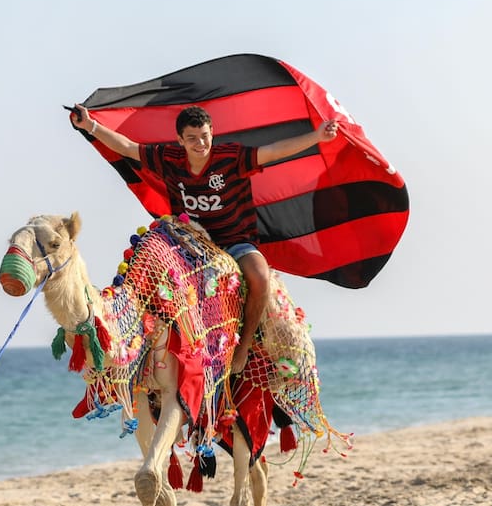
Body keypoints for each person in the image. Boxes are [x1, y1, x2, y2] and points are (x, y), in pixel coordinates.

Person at [70, 103, 339, 374]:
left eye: (205, 136)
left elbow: (273, 152)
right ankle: (136, 350)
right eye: (192, 138)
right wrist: (89, 125)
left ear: (212, 133)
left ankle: (242, 349)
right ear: (180, 140)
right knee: (147, 266)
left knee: (260, 277)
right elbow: (127, 147)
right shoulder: (170, 158)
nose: (200, 143)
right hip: (192, 246)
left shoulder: (231, 157)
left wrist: (317, 137)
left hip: (236, 242)